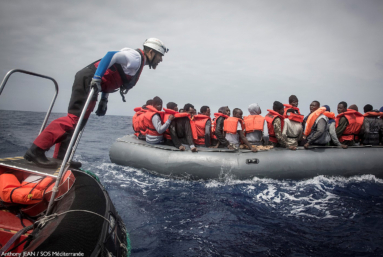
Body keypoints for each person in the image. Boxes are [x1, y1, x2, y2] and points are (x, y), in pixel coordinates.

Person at [24, 38, 168, 168]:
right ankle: (36, 150)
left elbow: (112, 73)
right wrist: (97, 78)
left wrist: (104, 100)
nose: (160, 60)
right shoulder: (135, 57)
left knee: (79, 124)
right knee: (74, 119)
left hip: (94, 85)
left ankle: (61, 158)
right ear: (151, 52)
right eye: (160, 56)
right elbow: (111, 55)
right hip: (88, 80)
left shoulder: (138, 62)